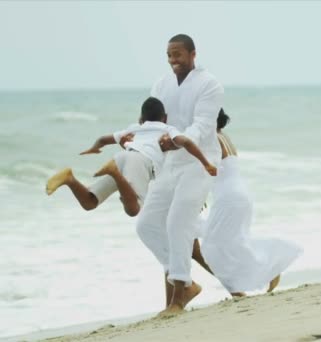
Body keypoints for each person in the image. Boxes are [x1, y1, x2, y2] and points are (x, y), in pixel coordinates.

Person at [135, 34, 223, 316]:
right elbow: (153, 122)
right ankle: (184, 282)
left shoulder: (210, 84)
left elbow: (203, 125)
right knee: (146, 225)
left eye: (178, 54)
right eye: (169, 55)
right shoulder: (161, 84)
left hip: (200, 162)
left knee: (177, 224)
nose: (173, 60)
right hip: (168, 164)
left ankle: (177, 297)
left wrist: (177, 140)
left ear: (192, 54)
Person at [45, 97, 217, 217]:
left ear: (141, 118)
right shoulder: (167, 129)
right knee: (133, 209)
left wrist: (94, 148)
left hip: (121, 157)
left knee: (90, 202)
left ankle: (70, 179)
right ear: (165, 117)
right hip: (140, 161)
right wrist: (206, 163)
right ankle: (115, 173)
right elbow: (186, 142)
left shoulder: (134, 128)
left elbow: (103, 139)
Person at [193, 108, 302, 297]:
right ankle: (242, 287)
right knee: (232, 243)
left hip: (229, 198)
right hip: (239, 195)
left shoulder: (210, 139)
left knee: (213, 246)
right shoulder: (222, 136)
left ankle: (265, 270)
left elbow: (205, 169)